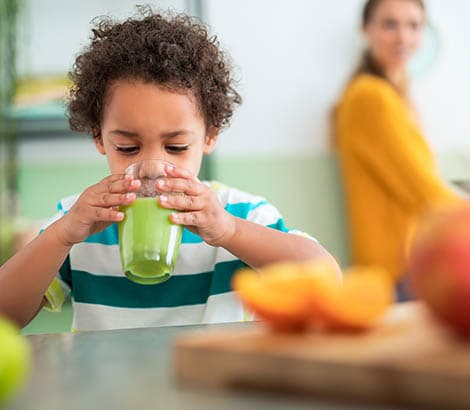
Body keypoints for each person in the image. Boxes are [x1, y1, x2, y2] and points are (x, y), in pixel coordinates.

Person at [0, 9, 338, 331]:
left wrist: (231, 232)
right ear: (98, 137)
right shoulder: (80, 221)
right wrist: (62, 235)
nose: (152, 170)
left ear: (211, 134)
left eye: (176, 147)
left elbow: (327, 281)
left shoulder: (240, 214)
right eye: (127, 148)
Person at [333, 0, 461, 300]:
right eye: (390, 24)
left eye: (414, 26)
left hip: (405, 265)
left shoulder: (393, 95)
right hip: (399, 270)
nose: (403, 37)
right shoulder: (371, 97)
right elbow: (424, 190)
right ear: (367, 30)